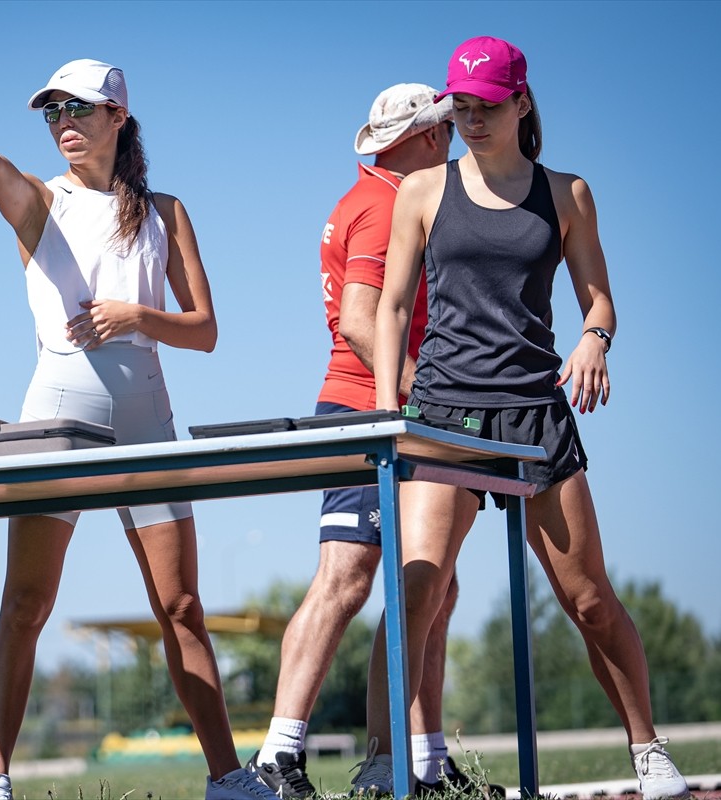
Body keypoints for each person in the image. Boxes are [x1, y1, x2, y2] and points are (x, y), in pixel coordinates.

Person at [0, 58, 275, 800]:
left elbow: (205, 331)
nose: (63, 122)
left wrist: (138, 317)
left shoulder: (166, 211)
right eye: (51, 112)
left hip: (148, 414)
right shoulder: (39, 198)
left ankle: (227, 778)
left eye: (78, 109)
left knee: (183, 608)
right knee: (26, 602)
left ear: (117, 117)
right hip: (57, 414)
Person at [354, 36, 690, 797]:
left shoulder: (568, 194)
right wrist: (385, 412)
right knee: (417, 589)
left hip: (537, 415)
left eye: (485, 106)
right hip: (444, 417)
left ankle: (649, 751)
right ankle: (382, 760)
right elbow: (394, 307)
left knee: (591, 600)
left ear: (521, 103)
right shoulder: (423, 192)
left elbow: (598, 300)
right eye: (461, 107)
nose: (471, 119)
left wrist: (594, 340)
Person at [247, 84, 499, 797]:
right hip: (371, 410)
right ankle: (281, 754)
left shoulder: (375, 195)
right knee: (347, 577)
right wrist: (434, 398)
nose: (453, 140)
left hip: (386, 410)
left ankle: (415, 762)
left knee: (433, 589)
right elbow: (361, 321)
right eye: (445, 129)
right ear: (419, 137)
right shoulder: (388, 203)